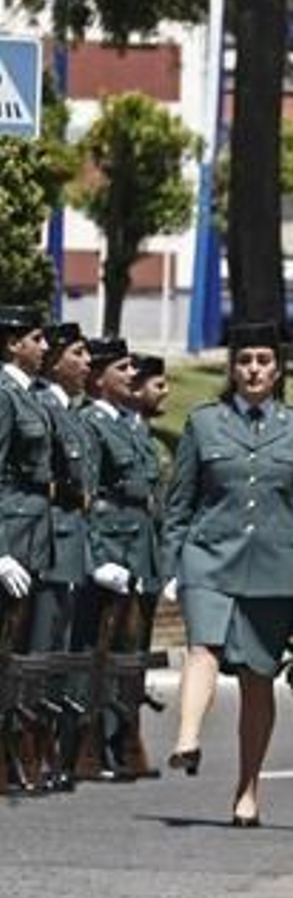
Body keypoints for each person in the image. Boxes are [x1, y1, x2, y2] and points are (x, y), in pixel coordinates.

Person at [163, 322, 293, 826]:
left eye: (263, 361)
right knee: (203, 644)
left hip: (273, 567)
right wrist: (170, 565)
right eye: (244, 360)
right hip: (209, 556)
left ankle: (247, 790)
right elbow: (179, 501)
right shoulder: (204, 423)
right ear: (232, 367)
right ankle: (187, 738)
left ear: (278, 368)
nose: (253, 370)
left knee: (257, 677)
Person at [79, 338, 167, 779]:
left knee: (133, 653)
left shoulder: (133, 425)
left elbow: (153, 494)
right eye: (123, 368)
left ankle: (124, 740)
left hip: (142, 546)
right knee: (104, 650)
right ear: (98, 378)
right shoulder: (90, 423)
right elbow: (87, 496)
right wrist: (97, 555)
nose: (132, 375)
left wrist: (162, 559)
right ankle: (93, 745)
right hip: (113, 545)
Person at [30, 323, 95, 789]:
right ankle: (29, 752)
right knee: (38, 652)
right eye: (78, 353)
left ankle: (50, 752)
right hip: (48, 542)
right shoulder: (44, 407)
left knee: (60, 652)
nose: (87, 362)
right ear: (55, 360)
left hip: (73, 544)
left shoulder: (72, 411)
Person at [0, 305, 55, 791]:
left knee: (21, 652)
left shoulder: (31, 396)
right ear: (12, 343)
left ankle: (15, 753)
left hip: (34, 534)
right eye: (36, 338)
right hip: (11, 535)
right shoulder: (3, 396)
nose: (44, 346)